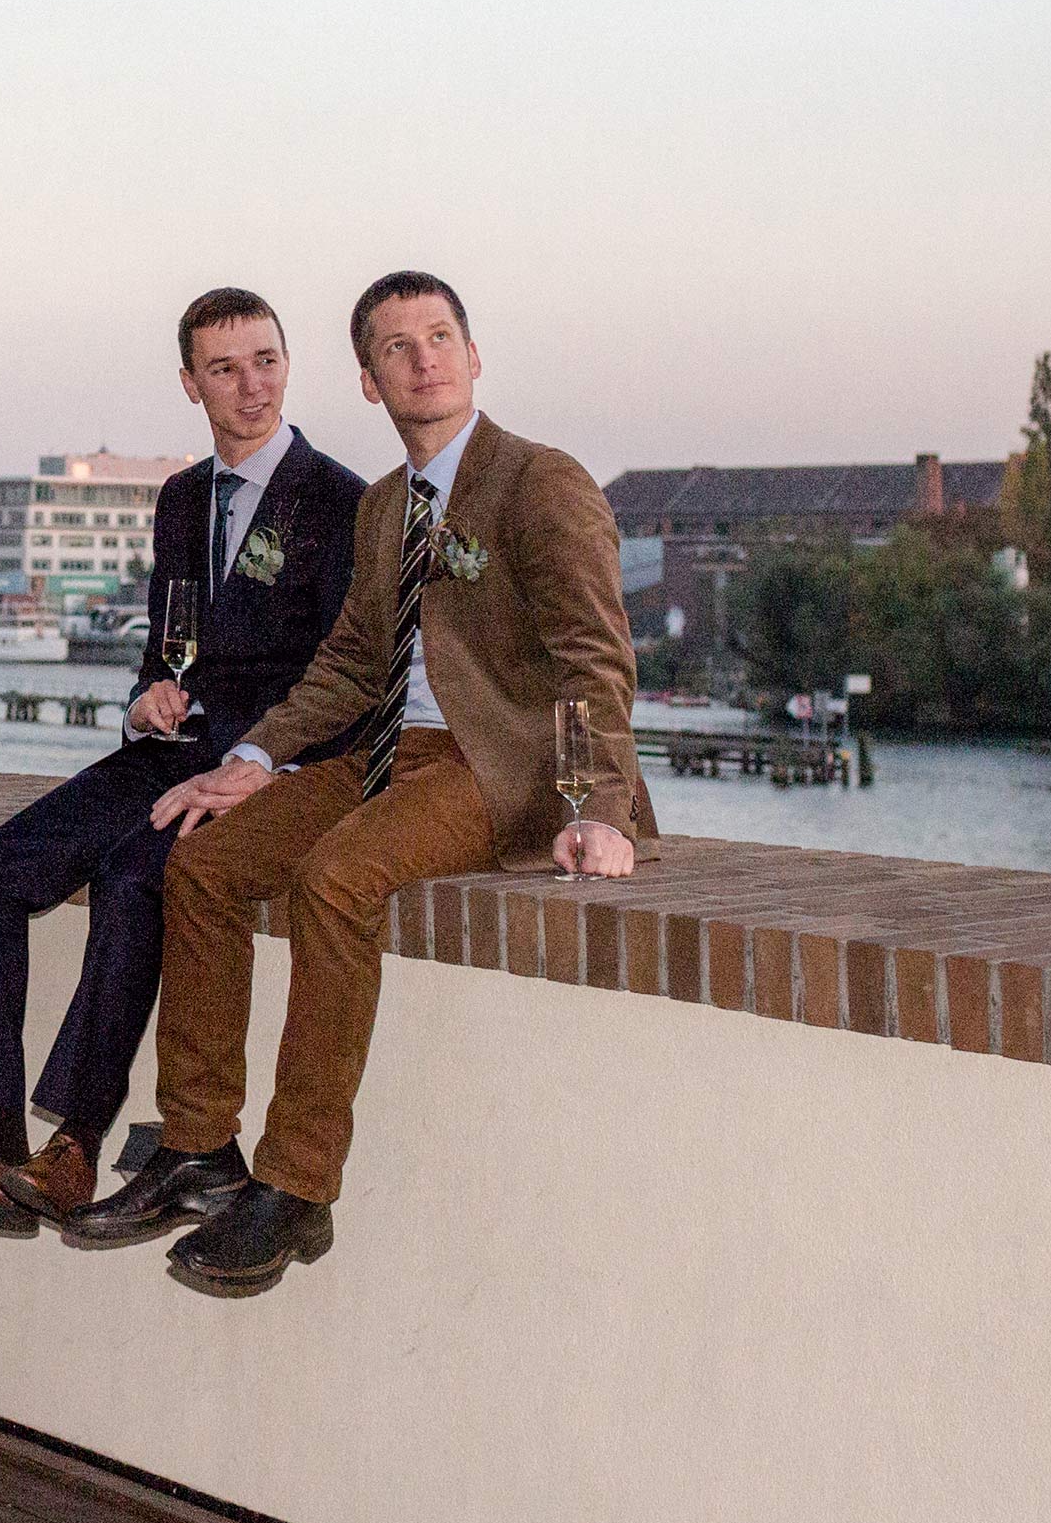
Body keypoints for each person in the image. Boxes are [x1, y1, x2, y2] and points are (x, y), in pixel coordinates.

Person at [67, 269, 656, 1293]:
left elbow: (595, 660)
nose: (424, 360)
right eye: (397, 347)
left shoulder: (539, 481)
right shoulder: (386, 506)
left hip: (496, 765)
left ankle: (297, 1186)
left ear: (474, 356)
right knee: (200, 866)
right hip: (390, 757)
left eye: (440, 338)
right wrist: (250, 761)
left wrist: (599, 808)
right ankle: (199, 1149)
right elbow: (347, 665)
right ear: (370, 382)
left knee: (335, 880)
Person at [0, 289, 365, 1236]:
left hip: (255, 771)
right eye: (225, 369)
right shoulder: (180, 499)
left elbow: (350, 674)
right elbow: (167, 646)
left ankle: (76, 1146)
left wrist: (267, 764)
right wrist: (146, 696)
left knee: (134, 883)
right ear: (190, 384)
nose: (252, 386)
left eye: (266, 361)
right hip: (166, 750)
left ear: (288, 364)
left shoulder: (341, 502)